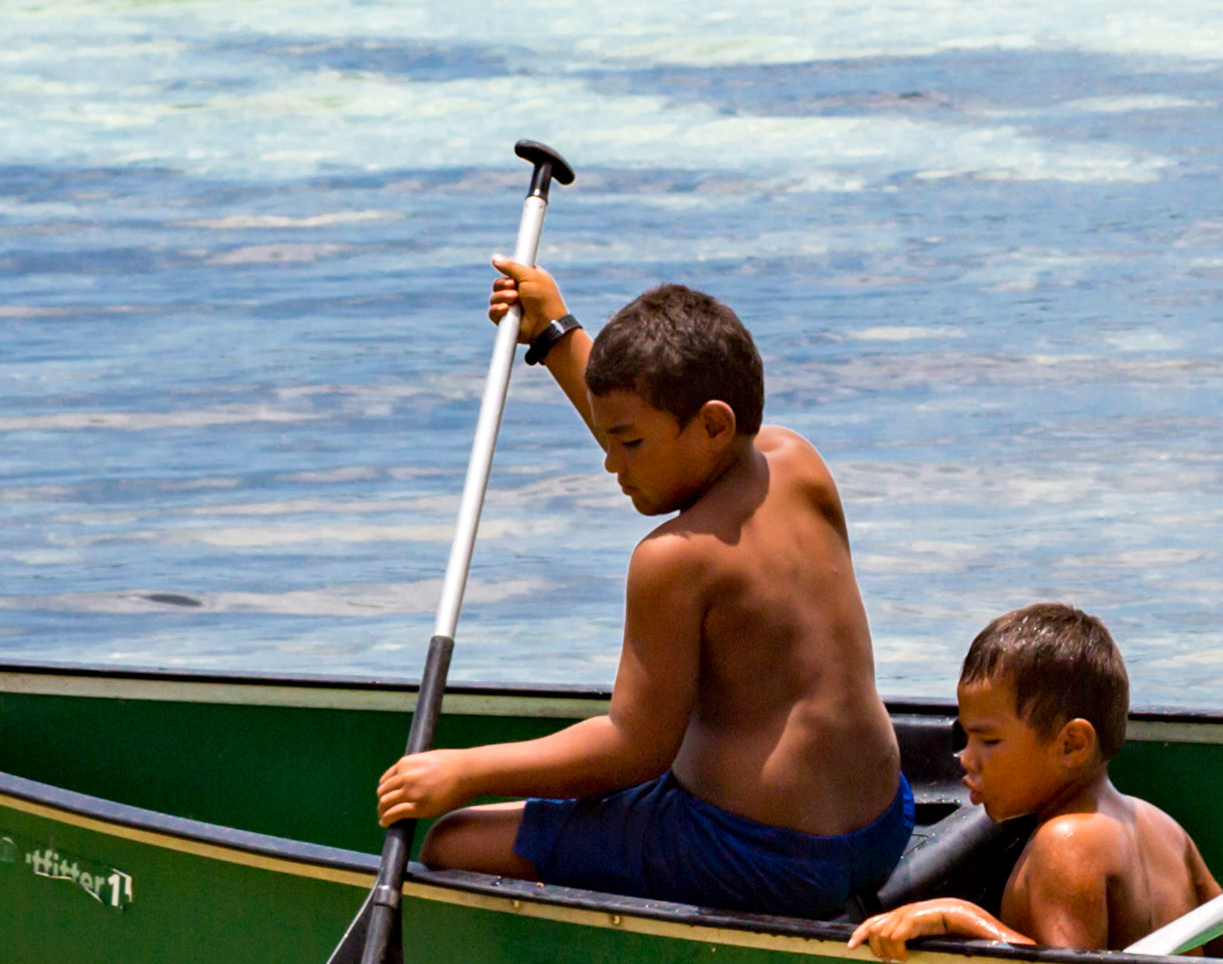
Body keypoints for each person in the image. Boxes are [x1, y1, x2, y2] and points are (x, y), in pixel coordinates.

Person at [372, 269, 914, 920]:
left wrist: (464, 772)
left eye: (626, 444)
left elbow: (632, 746)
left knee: (457, 840)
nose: (610, 462)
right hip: (881, 826)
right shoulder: (797, 464)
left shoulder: (672, 561)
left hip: (765, 856)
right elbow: (660, 419)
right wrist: (554, 331)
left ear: (714, 426)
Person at [849, 601, 1223, 957]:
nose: (965, 758)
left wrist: (957, 915)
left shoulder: (1065, 841)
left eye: (988, 740)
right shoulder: (1164, 828)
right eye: (966, 737)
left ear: (1071, 745)